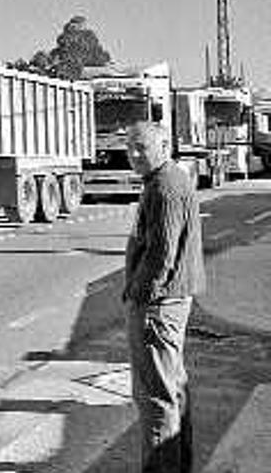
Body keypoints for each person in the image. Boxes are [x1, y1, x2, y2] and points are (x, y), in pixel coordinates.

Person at [122, 122, 205, 473]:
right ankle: (178, 465)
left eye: (141, 147)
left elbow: (161, 255)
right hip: (170, 301)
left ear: (164, 145)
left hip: (159, 306)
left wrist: (140, 296)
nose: (134, 154)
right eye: (130, 148)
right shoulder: (165, 180)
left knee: (156, 398)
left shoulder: (165, 187)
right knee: (173, 389)